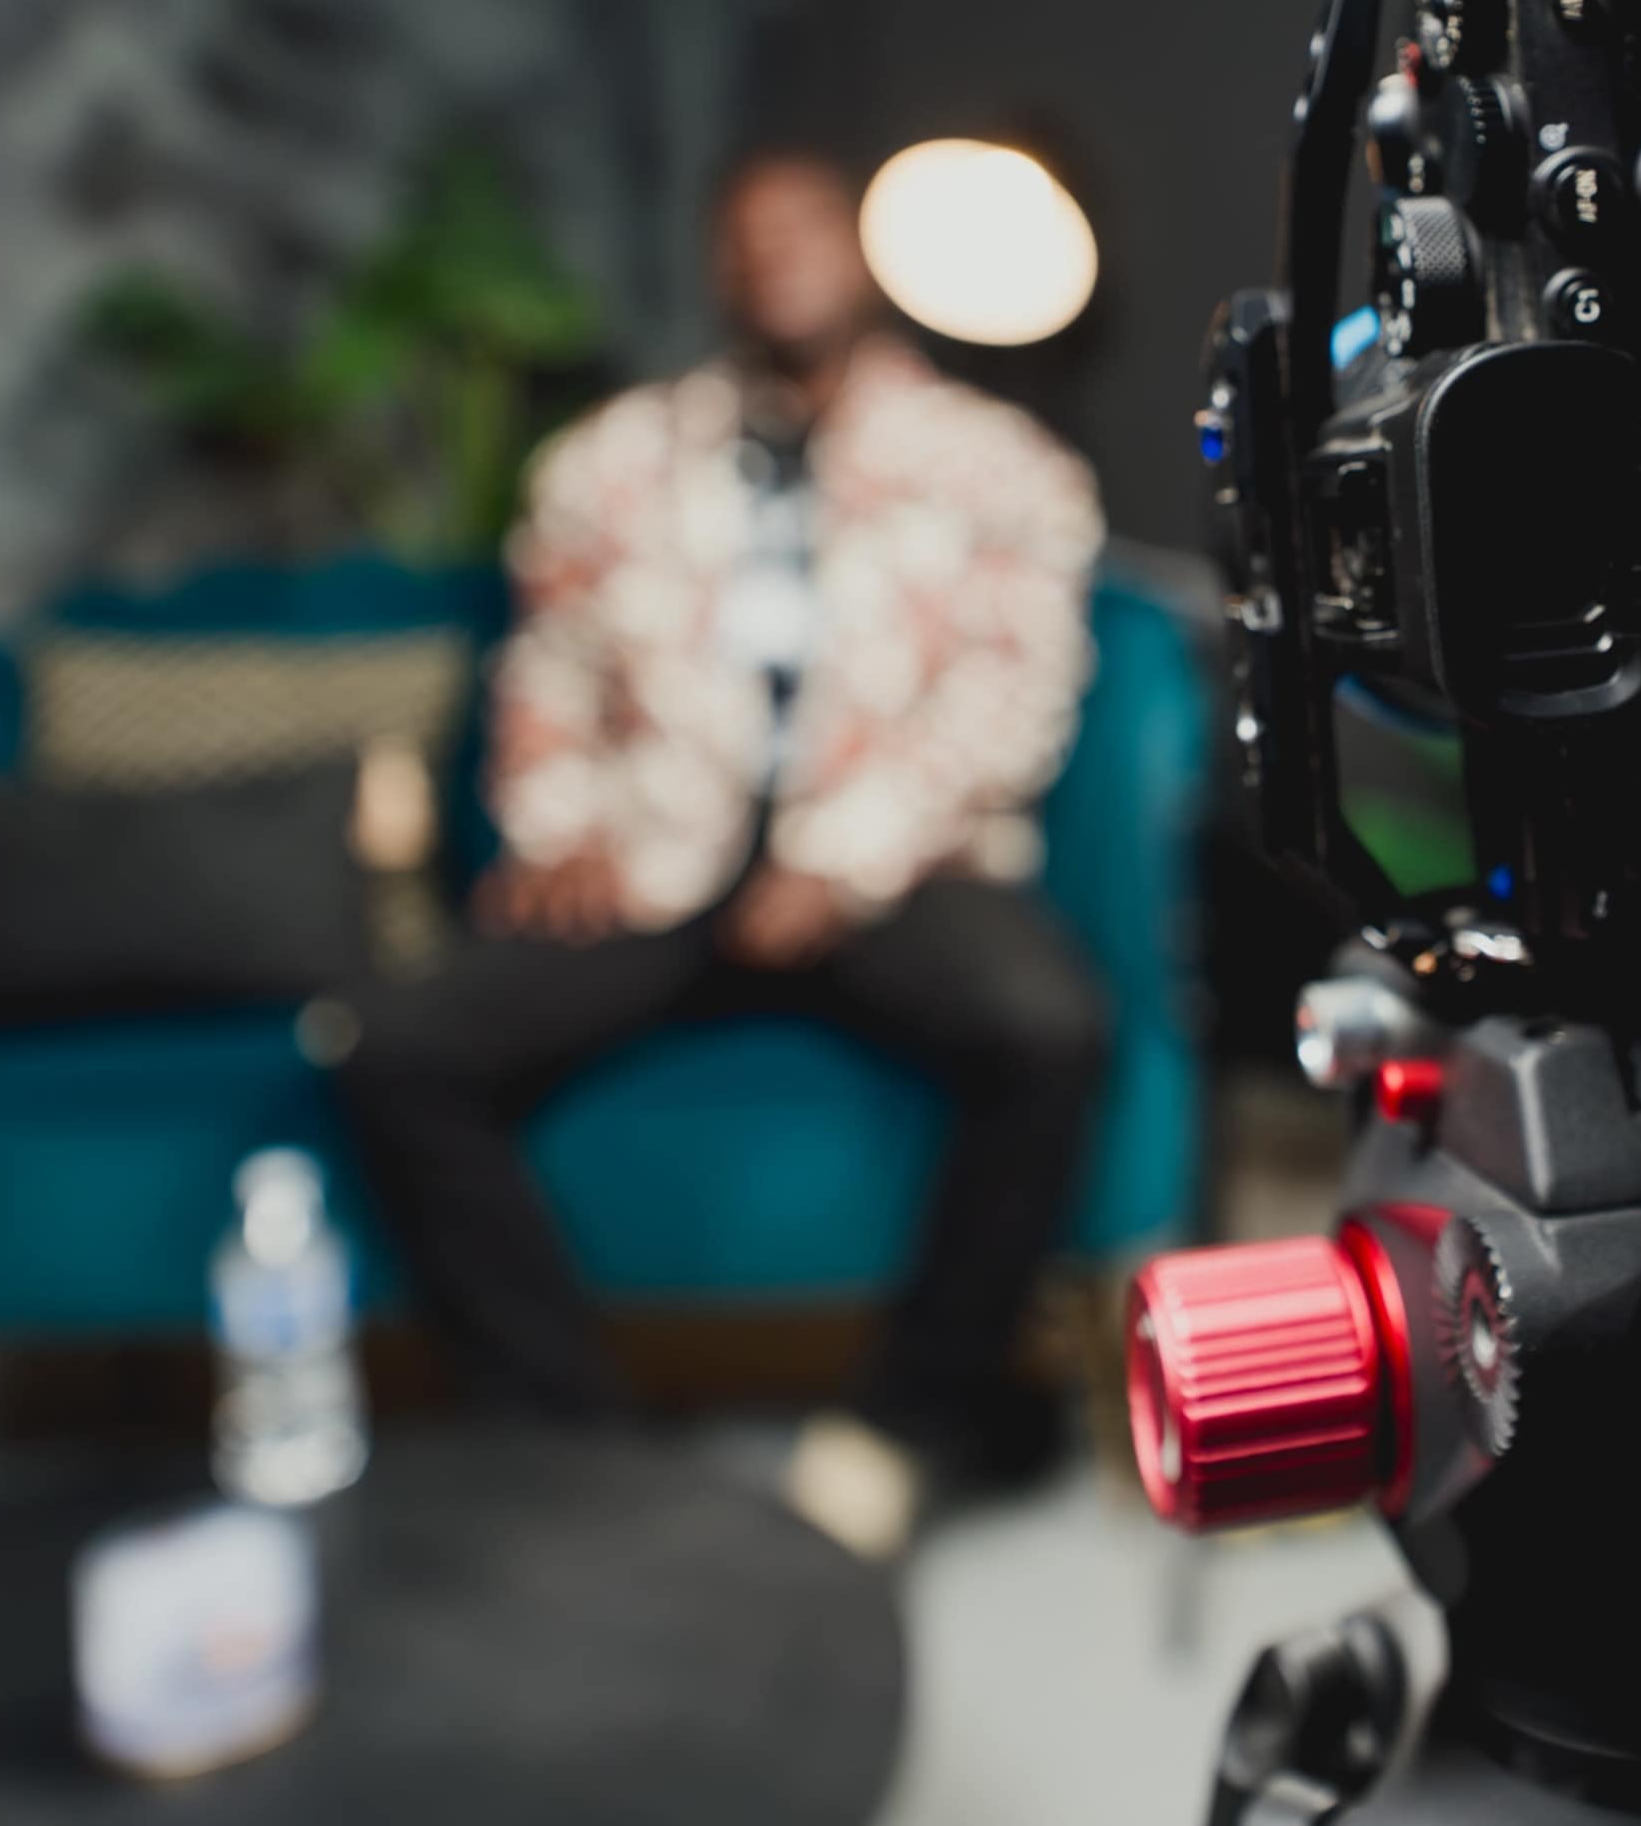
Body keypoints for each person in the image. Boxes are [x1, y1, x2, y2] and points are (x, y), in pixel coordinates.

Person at [332, 148, 1109, 1557]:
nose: (773, 260)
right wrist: (558, 829)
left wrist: (841, 860)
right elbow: (551, 669)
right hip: (659, 857)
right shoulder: (609, 462)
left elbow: (1012, 695)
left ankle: (905, 1427)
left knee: (1049, 1030)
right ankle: (574, 1442)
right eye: (743, 241)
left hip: (894, 862)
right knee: (399, 1052)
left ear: (863, 254)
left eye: (802, 229)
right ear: (716, 271)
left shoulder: (1001, 466)